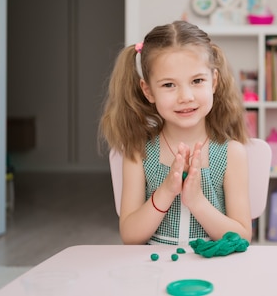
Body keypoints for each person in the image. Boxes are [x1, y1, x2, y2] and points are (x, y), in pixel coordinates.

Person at [99, 20, 251, 246]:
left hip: (215, 270)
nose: (185, 96)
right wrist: (166, 192)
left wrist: (197, 201)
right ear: (148, 91)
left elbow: (242, 237)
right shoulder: (138, 152)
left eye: (197, 81)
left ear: (214, 82)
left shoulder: (231, 153)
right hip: (154, 270)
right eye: (169, 85)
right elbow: (130, 237)